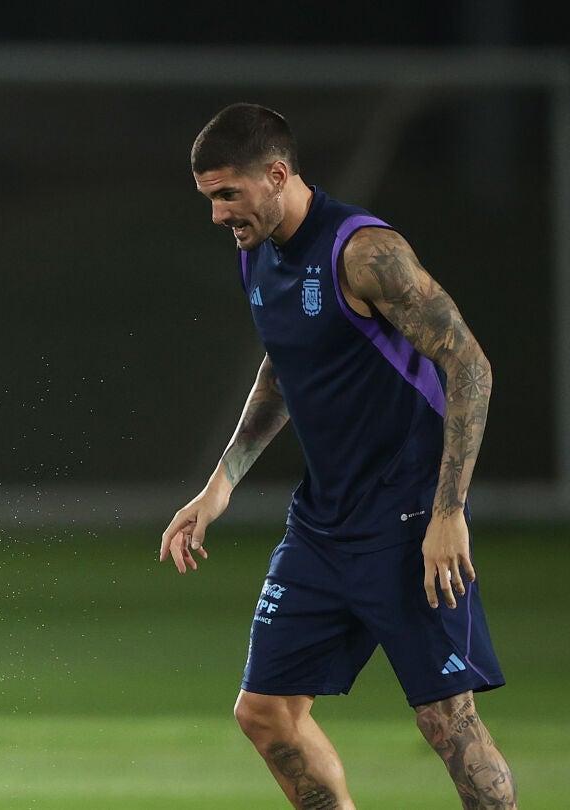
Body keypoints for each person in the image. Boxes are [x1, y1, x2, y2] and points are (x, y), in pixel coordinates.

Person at [160, 103, 516, 809]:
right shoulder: (256, 252)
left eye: (227, 194)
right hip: (323, 526)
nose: (218, 214)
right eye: (209, 198)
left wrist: (448, 512)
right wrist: (222, 482)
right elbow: (286, 363)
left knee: (446, 722)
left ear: (277, 175)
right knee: (265, 714)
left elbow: (469, 365)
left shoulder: (363, 251)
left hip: (408, 521)